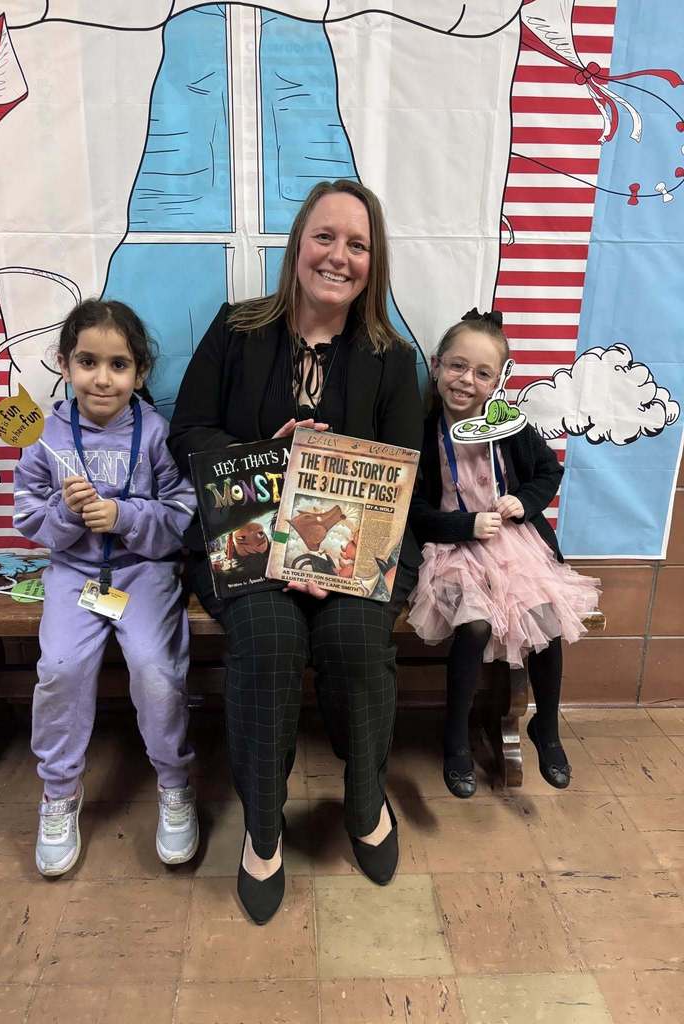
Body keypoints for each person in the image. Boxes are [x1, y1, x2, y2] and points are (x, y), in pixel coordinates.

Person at [168, 179, 423, 923]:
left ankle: (366, 799)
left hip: (351, 545)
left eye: (357, 243)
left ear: (373, 263)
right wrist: (264, 455)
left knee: (353, 638)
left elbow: (399, 471)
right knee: (270, 638)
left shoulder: (390, 357)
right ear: (298, 245)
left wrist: (328, 558)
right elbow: (189, 432)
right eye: (325, 237)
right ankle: (263, 827)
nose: (337, 256)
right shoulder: (238, 328)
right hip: (245, 538)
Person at [13, 299, 197, 876]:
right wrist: (66, 516)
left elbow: (181, 513)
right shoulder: (44, 435)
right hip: (74, 576)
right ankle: (59, 792)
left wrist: (122, 517)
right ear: (65, 364)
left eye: (119, 365)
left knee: (154, 667)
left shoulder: (157, 433)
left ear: (140, 373)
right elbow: (27, 516)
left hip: (145, 575)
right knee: (61, 667)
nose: (102, 378)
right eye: (88, 361)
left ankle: (174, 782)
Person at [408, 309, 600, 798]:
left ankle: (546, 728)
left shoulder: (509, 427)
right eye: (456, 366)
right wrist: (464, 524)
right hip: (453, 549)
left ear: (498, 381)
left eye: (482, 372)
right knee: (473, 626)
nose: (466, 380)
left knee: (547, 620)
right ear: (435, 365)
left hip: (514, 548)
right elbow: (414, 509)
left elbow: (547, 473)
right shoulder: (421, 431)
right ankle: (455, 739)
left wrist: (524, 501)